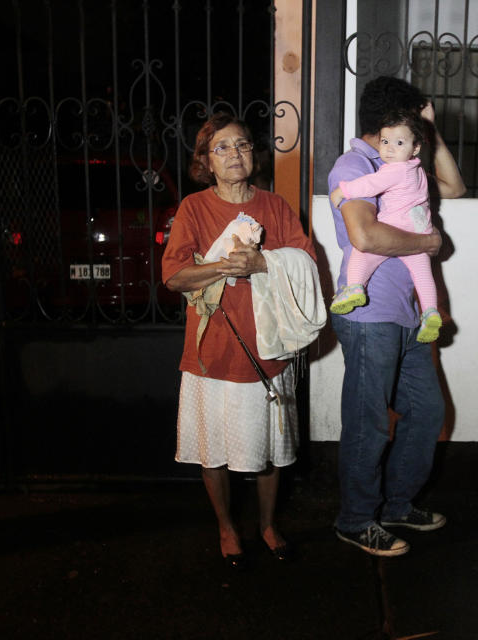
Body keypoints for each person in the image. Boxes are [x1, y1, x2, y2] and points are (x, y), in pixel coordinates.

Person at [162, 113, 320, 569]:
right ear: (206, 162)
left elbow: (306, 262)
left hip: (266, 349)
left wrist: (263, 263)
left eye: (244, 145)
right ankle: (227, 526)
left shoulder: (275, 205)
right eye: (223, 148)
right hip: (212, 351)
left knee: (269, 450)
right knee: (214, 447)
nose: (236, 154)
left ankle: (267, 524)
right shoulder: (194, 208)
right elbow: (173, 275)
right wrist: (224, 267)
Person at [327, 76, 466, 557]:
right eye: (412, 121)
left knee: (426, 413)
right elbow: (365, 237)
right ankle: (355, 519)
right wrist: (428, 243)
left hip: (406, 316)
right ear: (390, 123)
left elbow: (456, 185)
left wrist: (431, 134)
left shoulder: (402, 158)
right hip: (369, 315)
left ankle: (396, 505)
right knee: (369, 422)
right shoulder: (356, 164)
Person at [328, 108, 442, 343]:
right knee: (422, 275)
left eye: (399, 143)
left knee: (362, 253)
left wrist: (344, 190)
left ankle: (356, 287)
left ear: (416, 147)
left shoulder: (396, 170)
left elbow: (371, 183)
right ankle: (430, 312)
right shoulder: (417, 169)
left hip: (397, 227)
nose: (389, 148)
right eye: (385, 141)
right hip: (420, 229)